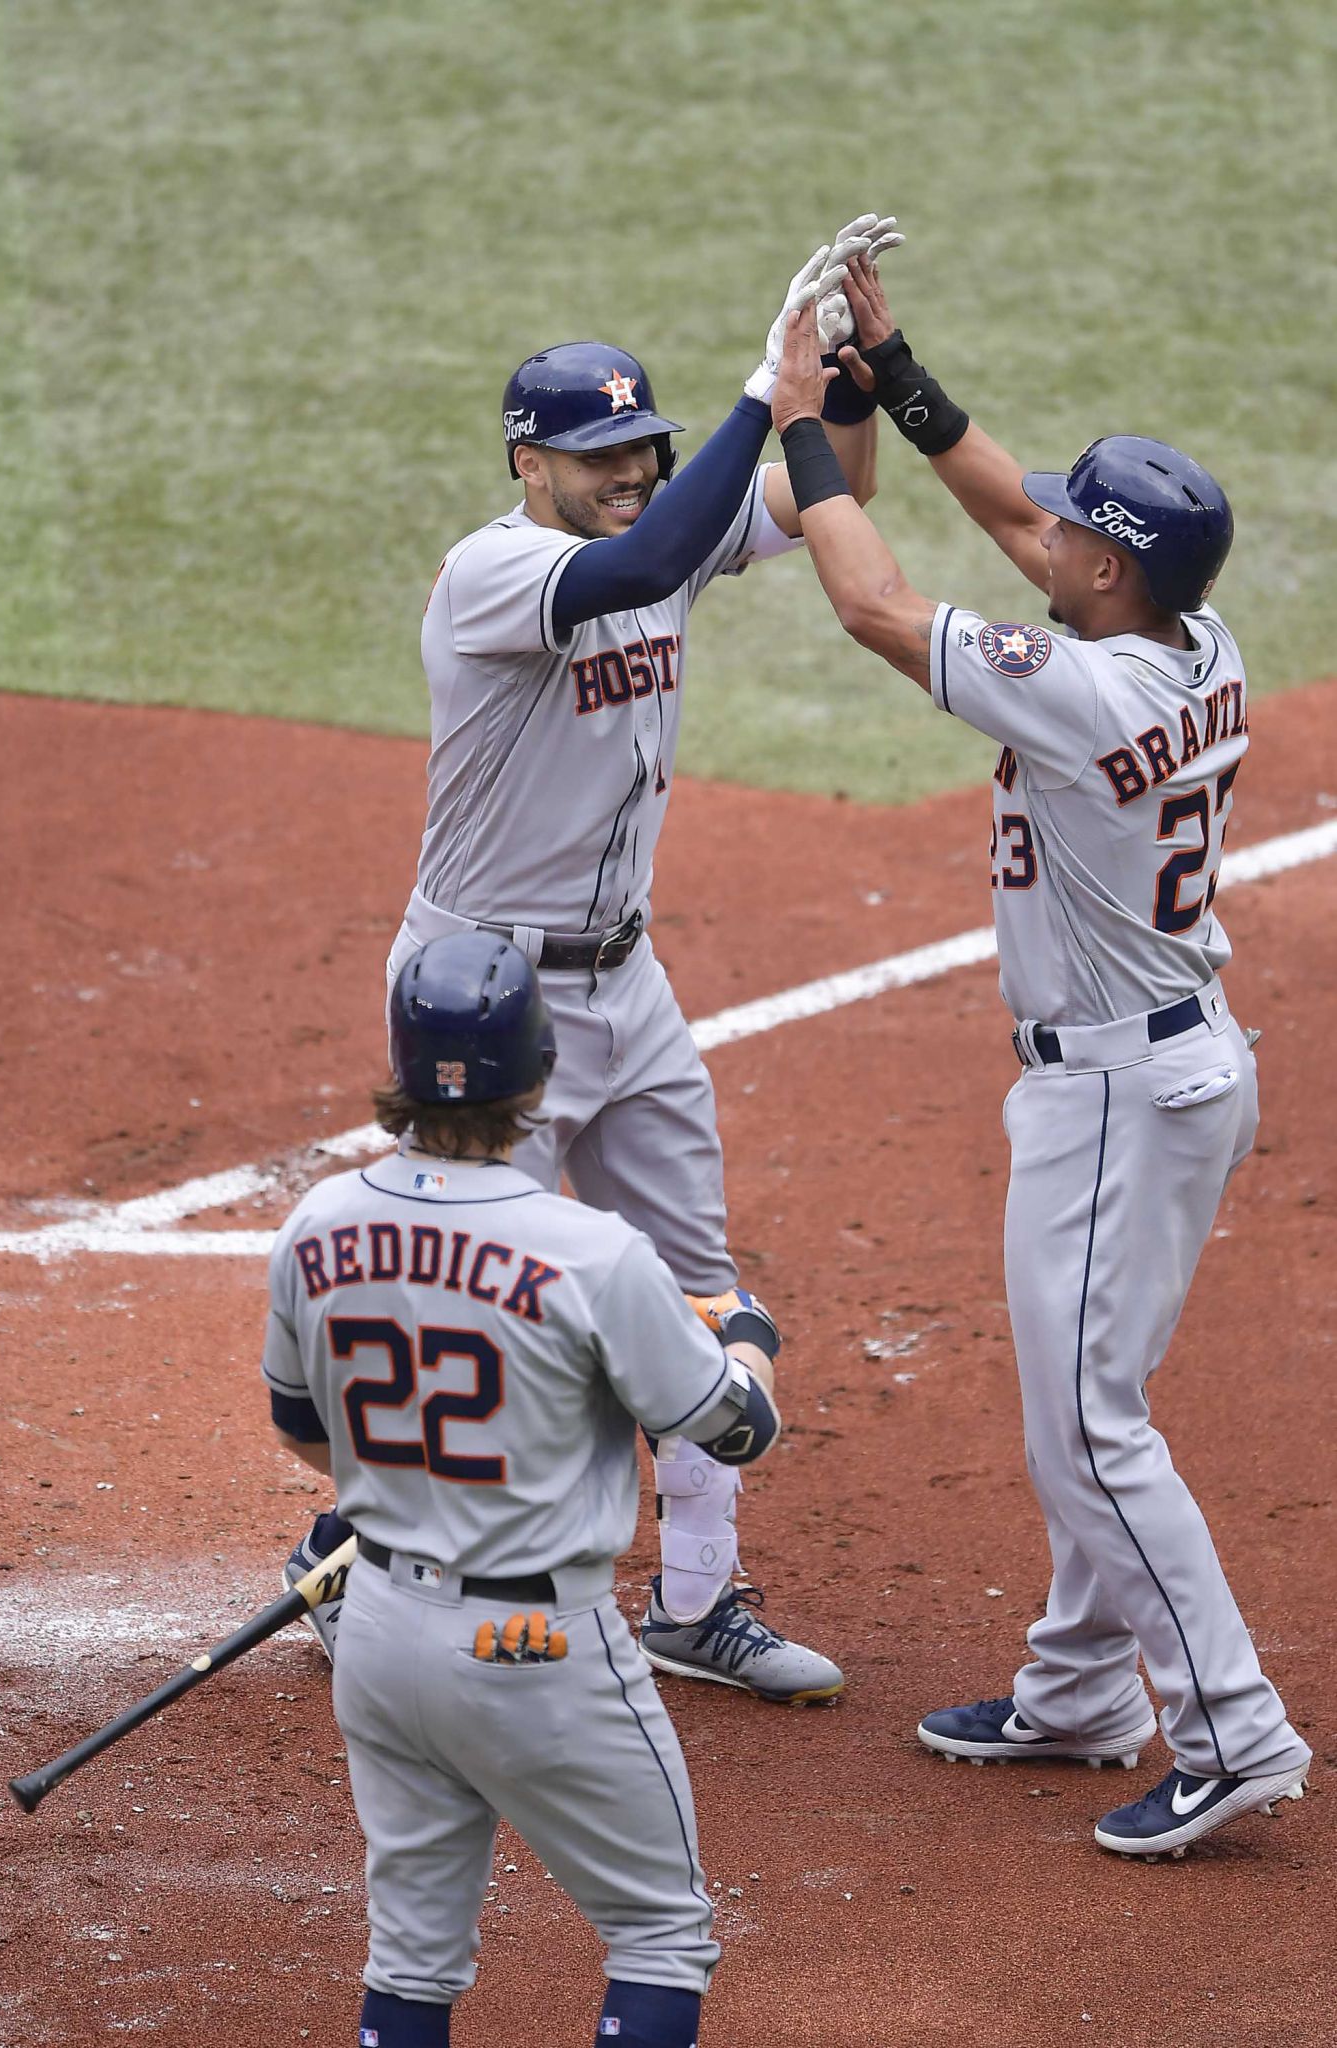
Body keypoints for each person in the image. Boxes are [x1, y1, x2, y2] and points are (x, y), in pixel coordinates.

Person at [285, 214, 905, 1699]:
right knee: (483, 1287)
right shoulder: (496, 573)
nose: (626, 468)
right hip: (482, 989)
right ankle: (351, 1551)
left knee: (695, 1276)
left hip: (627, 976)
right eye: (592, 451)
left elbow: (835, 495)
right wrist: (760, 396)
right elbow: (640, 567)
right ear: (527, 463)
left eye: (641, 446)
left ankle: (698, 1599)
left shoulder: (658, 528)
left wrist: (850, 379)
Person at [763, 270, 1312, 1858]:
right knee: (1101, 1393)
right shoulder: (1189, 644)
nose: (1049, 531)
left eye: (1081, 527)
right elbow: (1016, 527)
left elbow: (873, 607)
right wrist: (902, 374)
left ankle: (1228, 1724)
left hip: (1116, 1097)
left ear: (1114, 570)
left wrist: (807, 425)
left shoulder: (1079, 687)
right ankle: (1081, 1690)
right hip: (1185, 1064)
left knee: (1086, 1423)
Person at [263, 931, 791, 2047]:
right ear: (541, 1077)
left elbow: (308, 1433)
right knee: (658, 1932)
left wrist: (419, 1493)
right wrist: (748, 1337)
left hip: (381, 1628)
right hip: (538, 1650)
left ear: (400, 1069)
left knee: (410, 1957)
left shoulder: (315, 1228)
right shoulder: (594, 1251)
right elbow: (734, 1428)